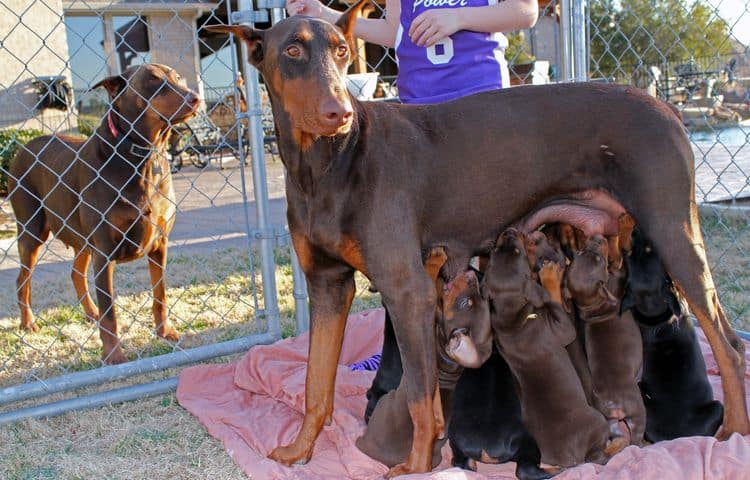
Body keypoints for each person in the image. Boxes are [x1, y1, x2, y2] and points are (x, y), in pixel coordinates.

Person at [286, 0, 539, 104]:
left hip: (481, 100)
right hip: (419, 108)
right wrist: (325, 15)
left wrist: (459, 17)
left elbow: (526, 10)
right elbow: (393, 32)